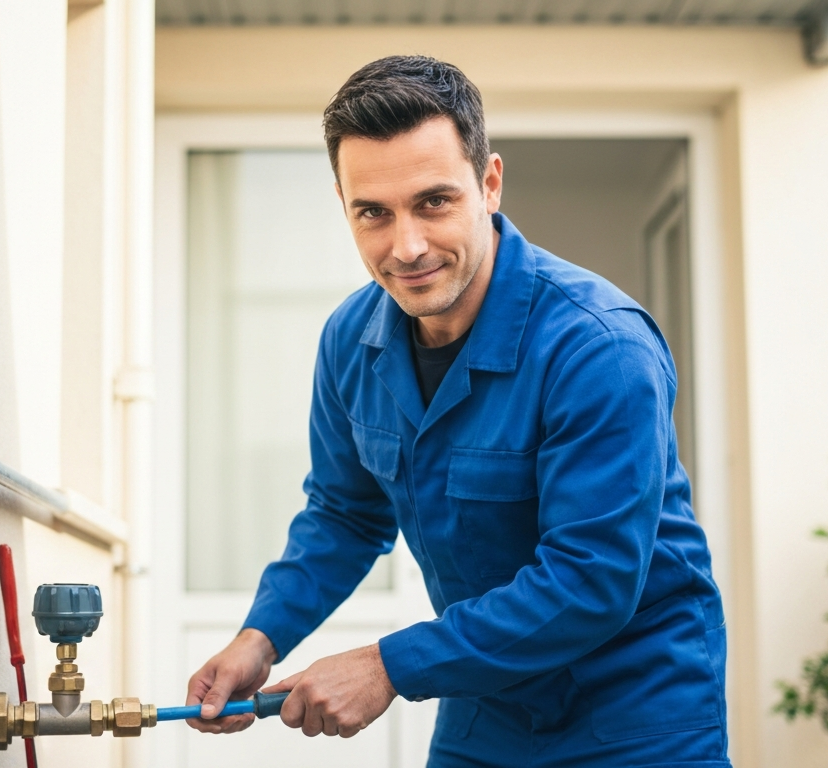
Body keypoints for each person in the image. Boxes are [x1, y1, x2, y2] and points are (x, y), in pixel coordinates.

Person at [184, 55, 731, 768]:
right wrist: (258, 639)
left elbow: (589, 581)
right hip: (487, 704)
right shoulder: (352, 342)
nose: (405, 247)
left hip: (638, 715)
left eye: (433, 202)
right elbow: (345, 515)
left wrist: (386, 665)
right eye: (373, 213)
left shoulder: (600, 348)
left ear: (490, 184)